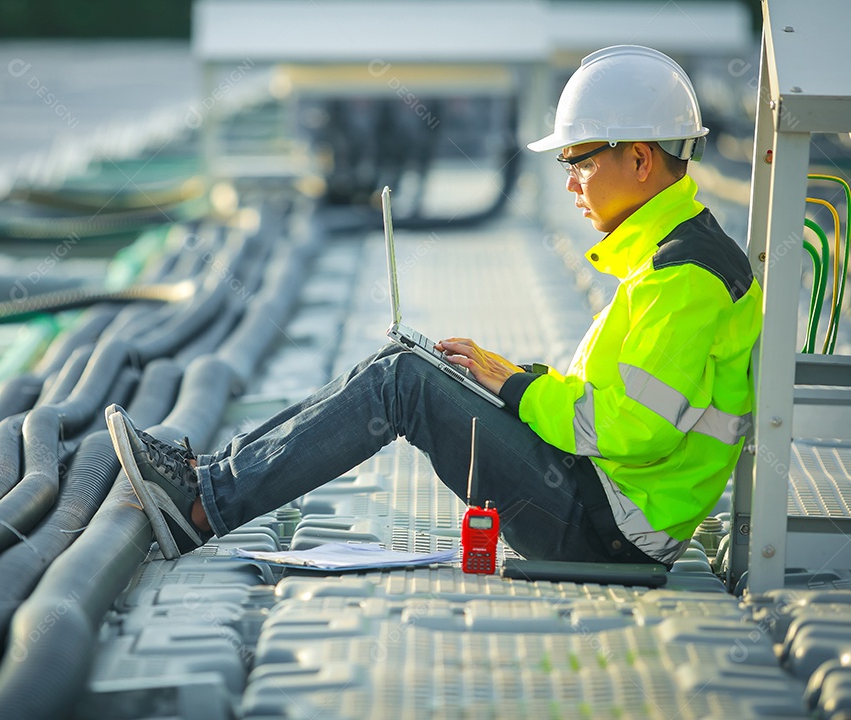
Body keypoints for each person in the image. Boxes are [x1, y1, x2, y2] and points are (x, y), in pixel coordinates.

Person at [106, 45, 762, 568]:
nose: (568, 182)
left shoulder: (682, 277)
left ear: (641, 159)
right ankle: (211, 479)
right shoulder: (674, 257)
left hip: (605, 527)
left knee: (400, 382)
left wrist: (519, 388)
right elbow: (619, 409)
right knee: (409, 365)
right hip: (600, 499)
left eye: (579, 161)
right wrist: (505, 376)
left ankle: (201, 503)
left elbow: (635, 429)